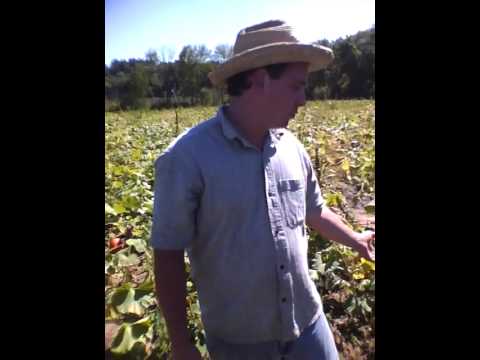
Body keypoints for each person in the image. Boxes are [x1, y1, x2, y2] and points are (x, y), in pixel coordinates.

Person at [151, 19, 375, 360]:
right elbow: (167, 255)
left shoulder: (292, 147)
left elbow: (314, 210)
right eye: (295, 86)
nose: (303, 100)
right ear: (257, 80)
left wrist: (355, 240)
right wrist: (182, 343)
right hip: (239, 342)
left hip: (307, 324)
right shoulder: (186, 158)